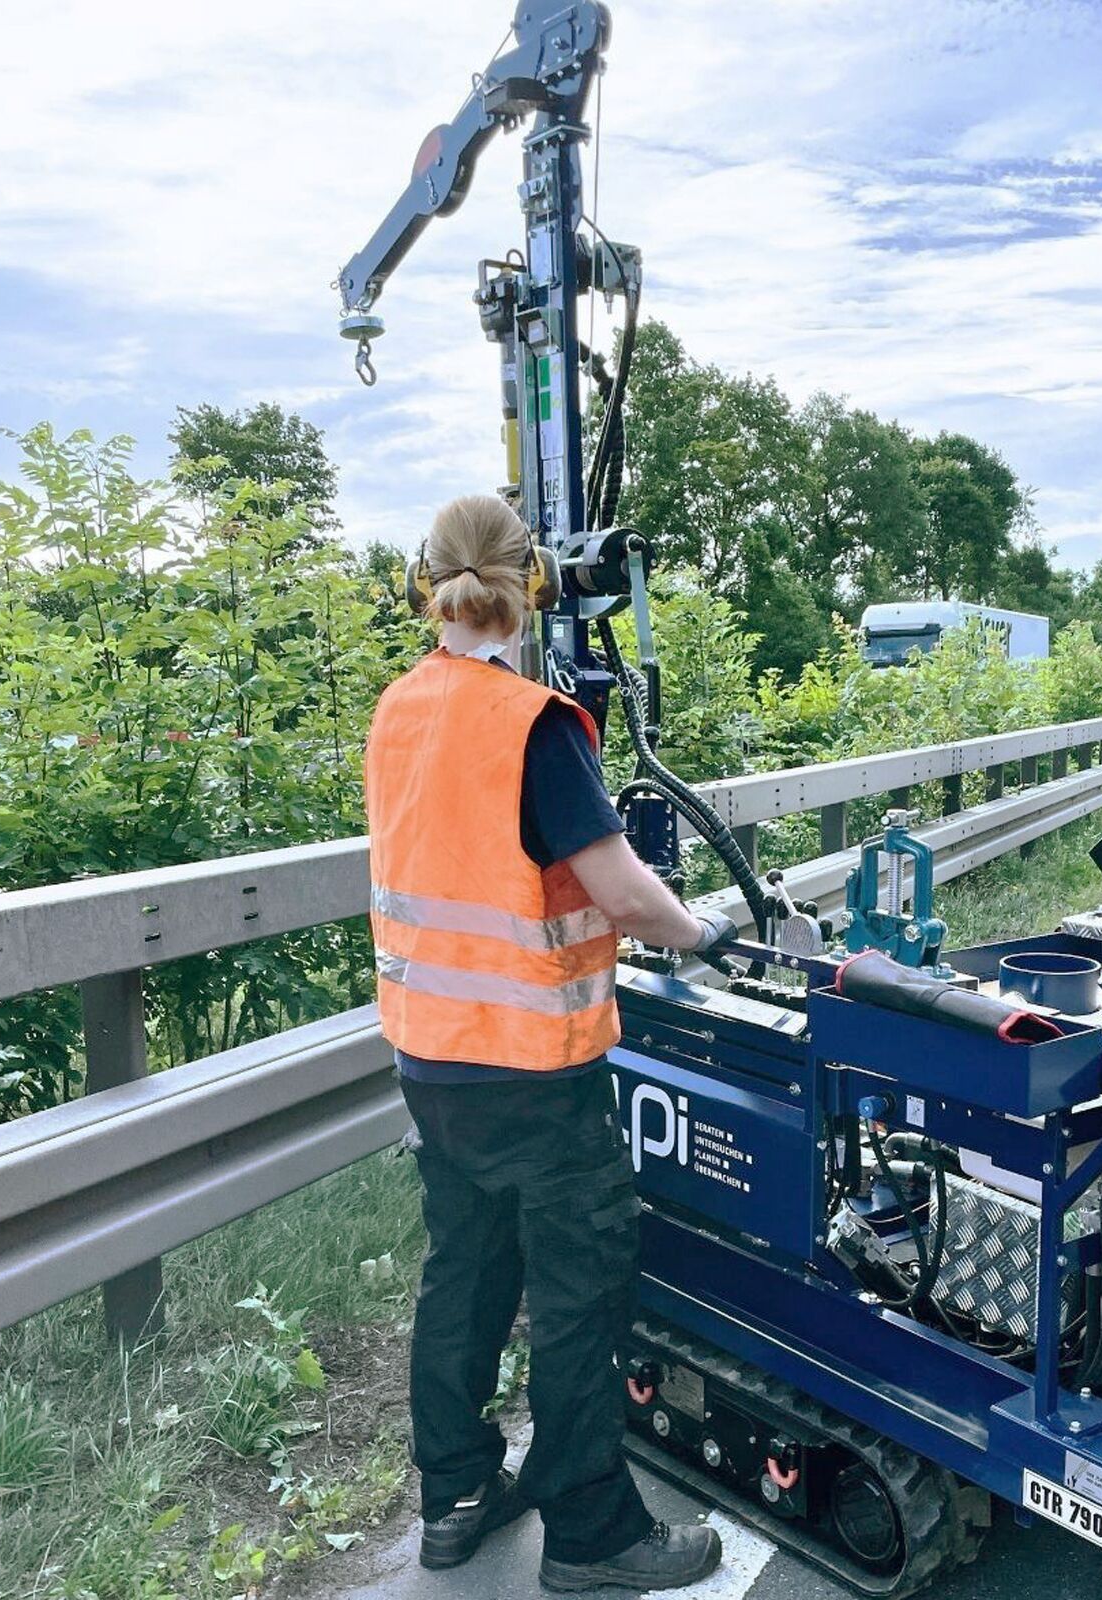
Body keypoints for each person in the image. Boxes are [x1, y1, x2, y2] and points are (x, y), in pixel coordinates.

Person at [363, 494, 734, 1592]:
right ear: (536, 586)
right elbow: (621, 891)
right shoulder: (535, 722)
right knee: (578, 1292)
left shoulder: (397, 708)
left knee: (465, 1271)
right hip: (533, 1068)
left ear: (423, 586)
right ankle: (590, 1534)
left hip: (430, 1056)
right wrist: (706, 933)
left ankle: (459, 1494)